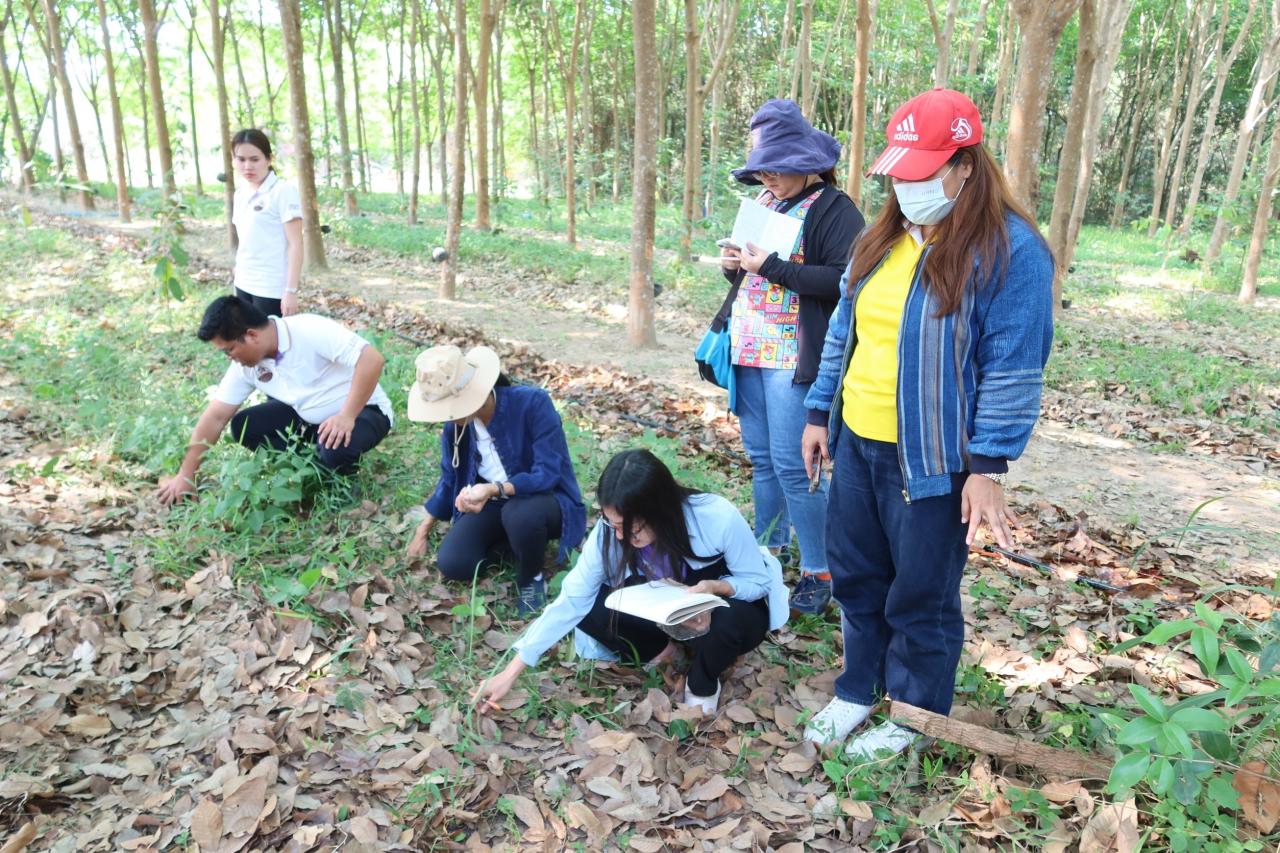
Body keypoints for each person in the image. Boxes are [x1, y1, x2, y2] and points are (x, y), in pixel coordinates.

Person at [799, 88, 1054, 760]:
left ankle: (913, 716)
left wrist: (989, 466)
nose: (908, 185)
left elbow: (1012, 366)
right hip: (859, 445)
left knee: (922, 595)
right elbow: (843, 337)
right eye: (900, 173)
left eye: (923, 171)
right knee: (856, 576)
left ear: (965, 164)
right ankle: (859, 688)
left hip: (934, 461)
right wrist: (820, 410)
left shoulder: (1010, 251)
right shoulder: (878, 240)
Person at [472, 449, 789, 714]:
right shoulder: (611, 532)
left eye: (630, 528)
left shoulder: (715, 516)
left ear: (660, 511)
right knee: (593, 605)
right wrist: (511, 671)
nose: (619, 534)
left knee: (733, 621)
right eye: (612, 523)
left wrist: (716, 589)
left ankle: (701, 680)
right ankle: (667, 651)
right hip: (663, 614)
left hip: (718, 611)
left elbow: (757, 582)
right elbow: (571, 600)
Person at [720, 99, 865, 615]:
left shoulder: (834, 207)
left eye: (777, 168)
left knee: (794, 463)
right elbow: (753, 275)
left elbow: (846, 281)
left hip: (794, 356)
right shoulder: (765, 201)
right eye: (762, 168)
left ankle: (820, 568)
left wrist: (774, 267)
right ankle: (769, 552)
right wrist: (737, 264)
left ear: (807, 163)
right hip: (752, 347)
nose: (768, 177)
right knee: (762, 459)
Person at [155, 296, 392, 505]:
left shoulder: (309, 329)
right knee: (244, 426)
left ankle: (341, 480)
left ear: (251, 335)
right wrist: (186, 476)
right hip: (307, 416)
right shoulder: (245, 366)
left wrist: (347, 416)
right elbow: (216, 417)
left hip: (363, 411)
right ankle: (312, 471)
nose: (229, 358)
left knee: (336, 448)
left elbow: (372, 360)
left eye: (229, 350)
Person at [404, 345, 586, 615]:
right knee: (454, 563)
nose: (447, 415)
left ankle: (530, 577)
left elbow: (547, 474)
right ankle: (517, 543)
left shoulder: (533, 403)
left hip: (545, 501)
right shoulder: (456, 427)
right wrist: (423, 530)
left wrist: (493, 489)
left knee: (520, 514)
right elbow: (449, 476)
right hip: (494, 503)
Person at [230, 128, 303, 317]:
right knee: (247, 341)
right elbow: (245, 239)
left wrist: (291, 291)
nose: (247, 166)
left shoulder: (283, 191)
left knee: (271, 344)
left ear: (269, 159)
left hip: (271, 287)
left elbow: (296, 244)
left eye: (255, 159)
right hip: (244, 281)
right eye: (241, 159)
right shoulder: (240, 194)